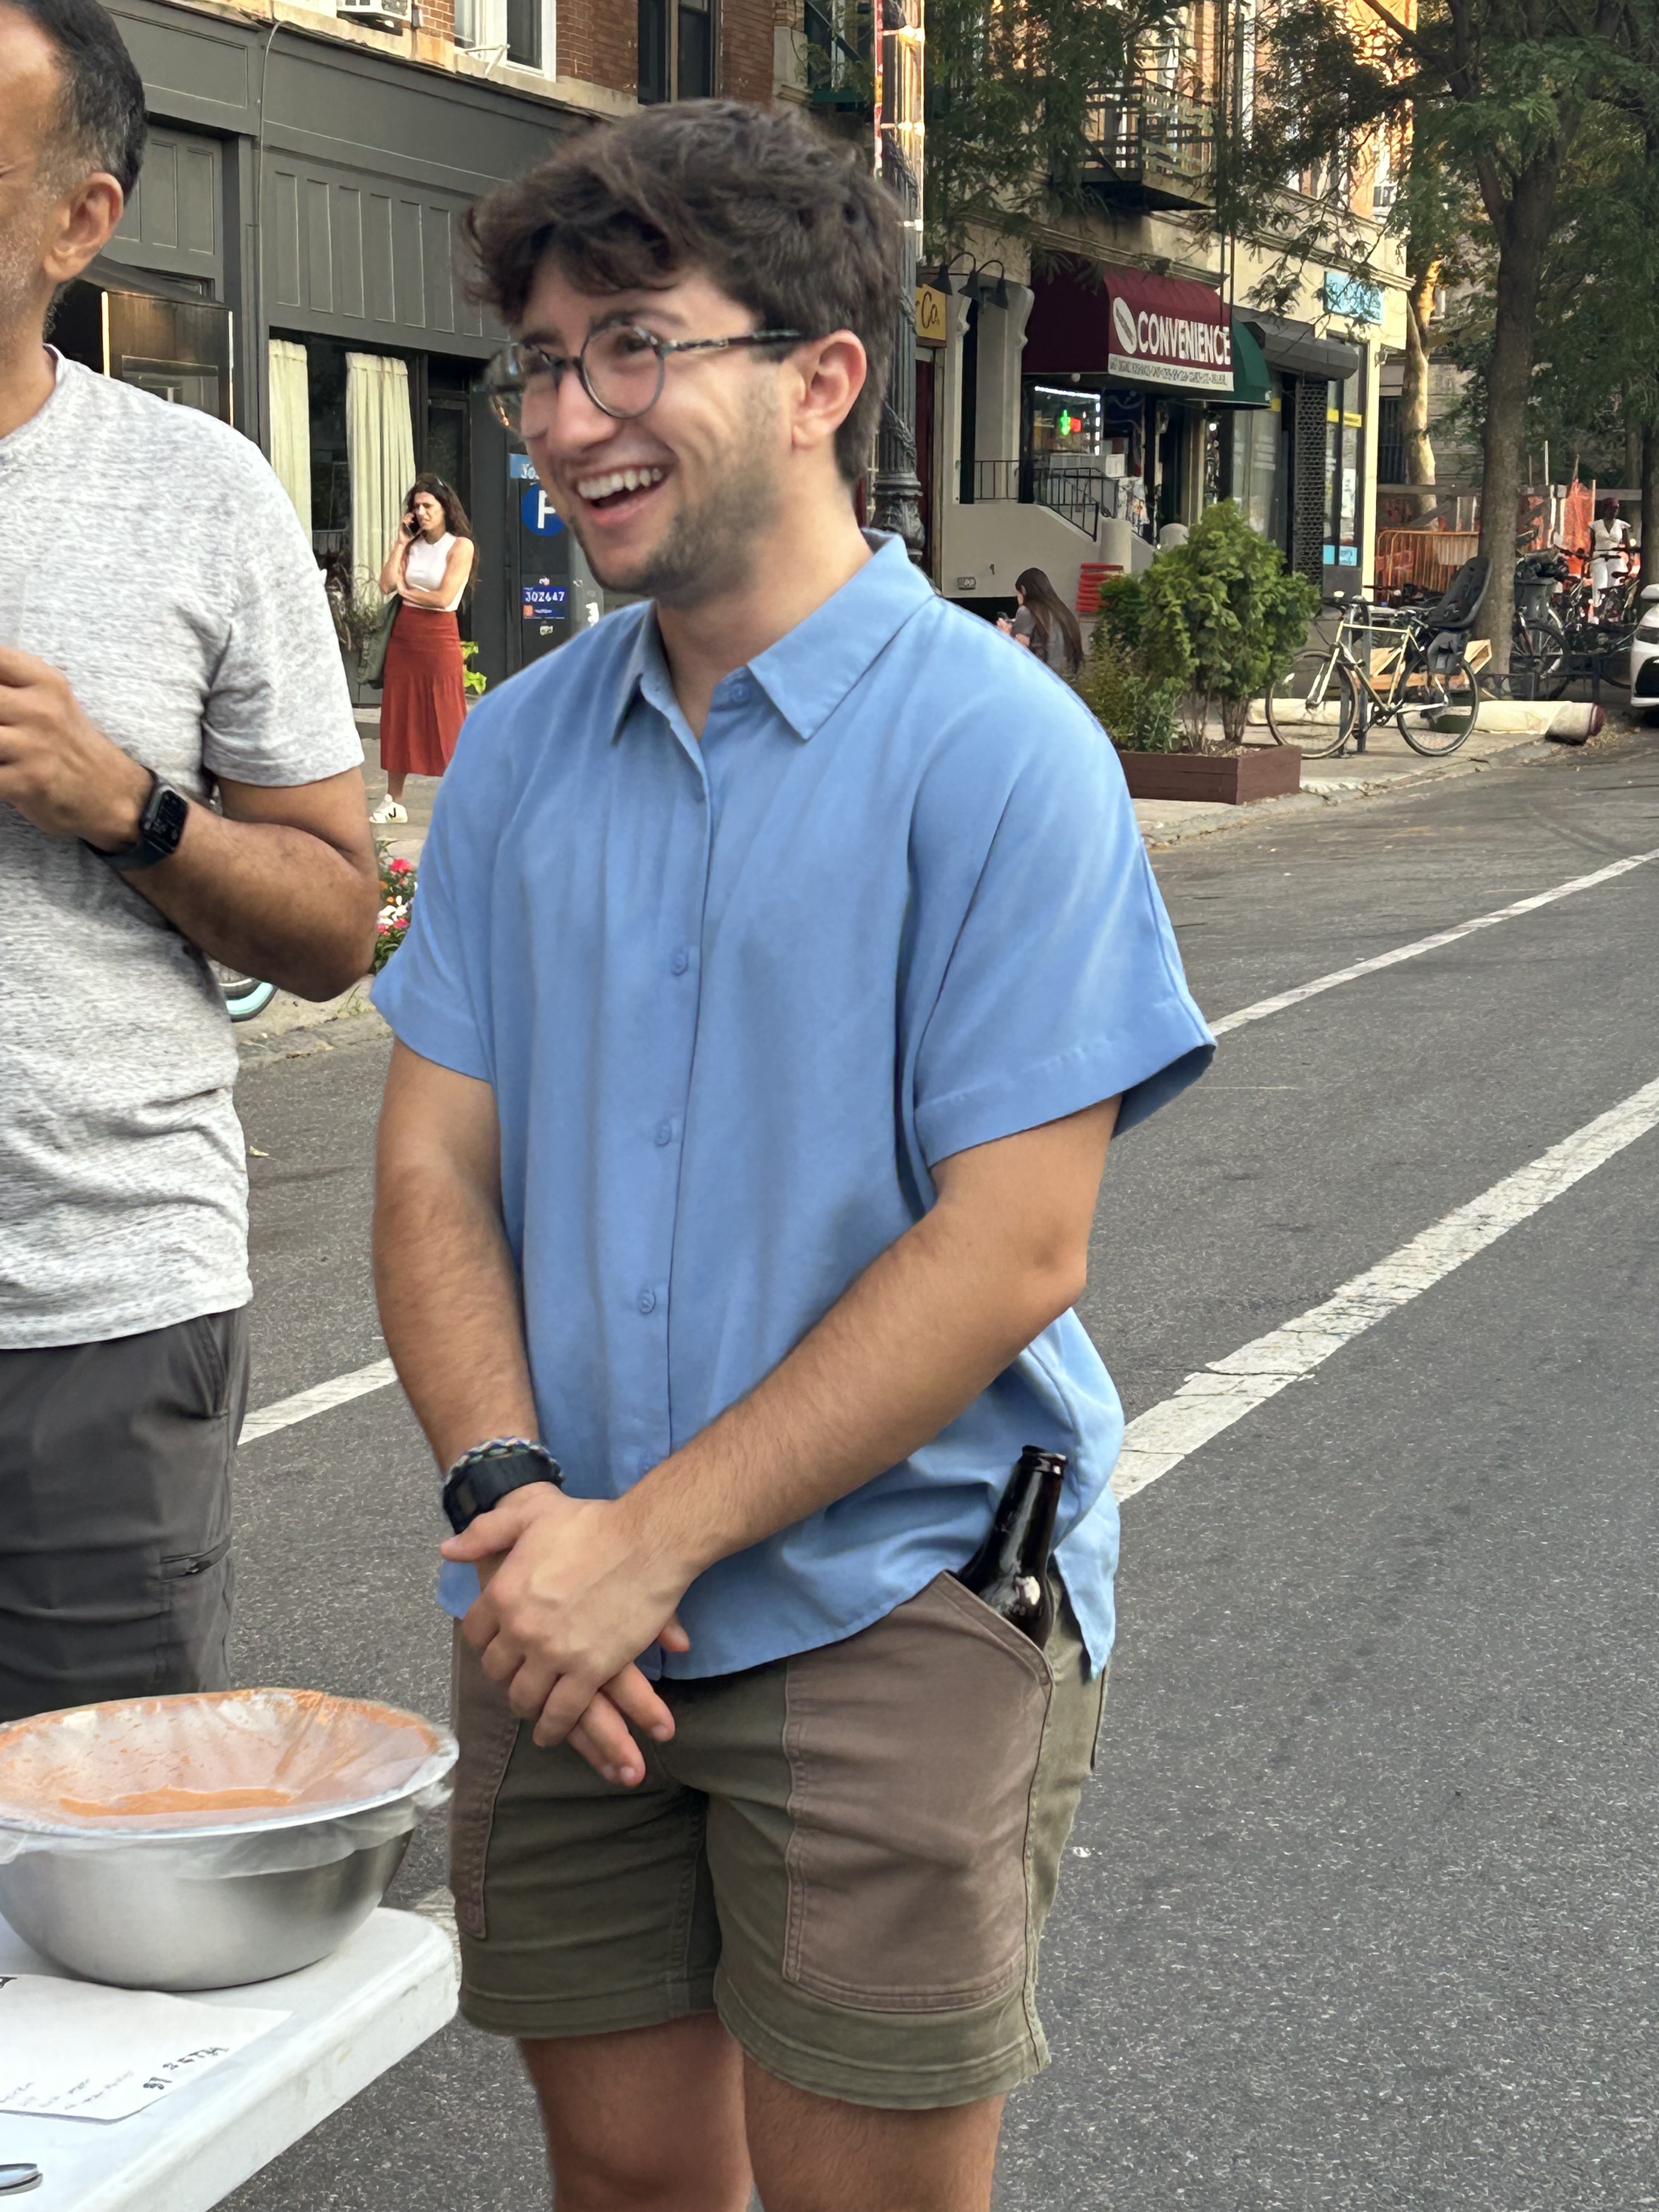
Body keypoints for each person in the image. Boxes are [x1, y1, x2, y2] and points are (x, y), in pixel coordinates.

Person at [371, 101, 1212, 2212]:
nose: (568, 419)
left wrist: (649, 1537)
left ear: (823, 375)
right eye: (542, 365)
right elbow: (427, 1168)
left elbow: (1009, 1248)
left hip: (888, 1587)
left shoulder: (996, 754)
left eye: (632, 345)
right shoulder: (521, 753)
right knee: (628, 2168)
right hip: (567, 1591)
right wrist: (516, 1498)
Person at [0, 0, 377, 1723]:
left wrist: (123, 802)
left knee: (104, 1903)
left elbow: (335, 926)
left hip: (94, 1315)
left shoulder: (195, 494)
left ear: (83, 220)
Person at [370, 473, 476, 825]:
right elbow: (386, 584)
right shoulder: (412, 546)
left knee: (446, 715)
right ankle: (393, 800)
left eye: (428, 505)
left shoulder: (460, 546)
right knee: (398, 715)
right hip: (405, 638)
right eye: (416, 506)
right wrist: (400, 543)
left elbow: (445, 598)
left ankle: (464, 798)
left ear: (445, 508)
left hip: (439, 637)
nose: (421, 512)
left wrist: (408, 592)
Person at [997, 566, 1083, 676]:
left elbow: (1018, 651)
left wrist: (1006, 634)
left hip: (1040, 677)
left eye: (1017, 594)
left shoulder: (1026, 611)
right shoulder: (1063, 613)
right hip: (1063, 680)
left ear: (1023, 590)